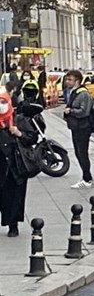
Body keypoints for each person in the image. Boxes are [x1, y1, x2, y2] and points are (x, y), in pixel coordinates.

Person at [0, 88, 35, 237]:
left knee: (15, 197)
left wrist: (19, 133)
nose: (1, 105)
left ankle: (13, 225)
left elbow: (32, 137)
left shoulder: (18, 119)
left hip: (15, 165)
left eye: (3, 102)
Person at [62, 69, 94, 189]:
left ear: (77, 81)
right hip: (76, 127)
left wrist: (71, 111)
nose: (67, 82)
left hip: (83, 127)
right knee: (78, 153)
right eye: (67, 79)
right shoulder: (74, 92)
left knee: (82, 153)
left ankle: (87, 179)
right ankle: (87, 177)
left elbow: (84, 112)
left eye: (70, 79)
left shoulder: (83, 94)